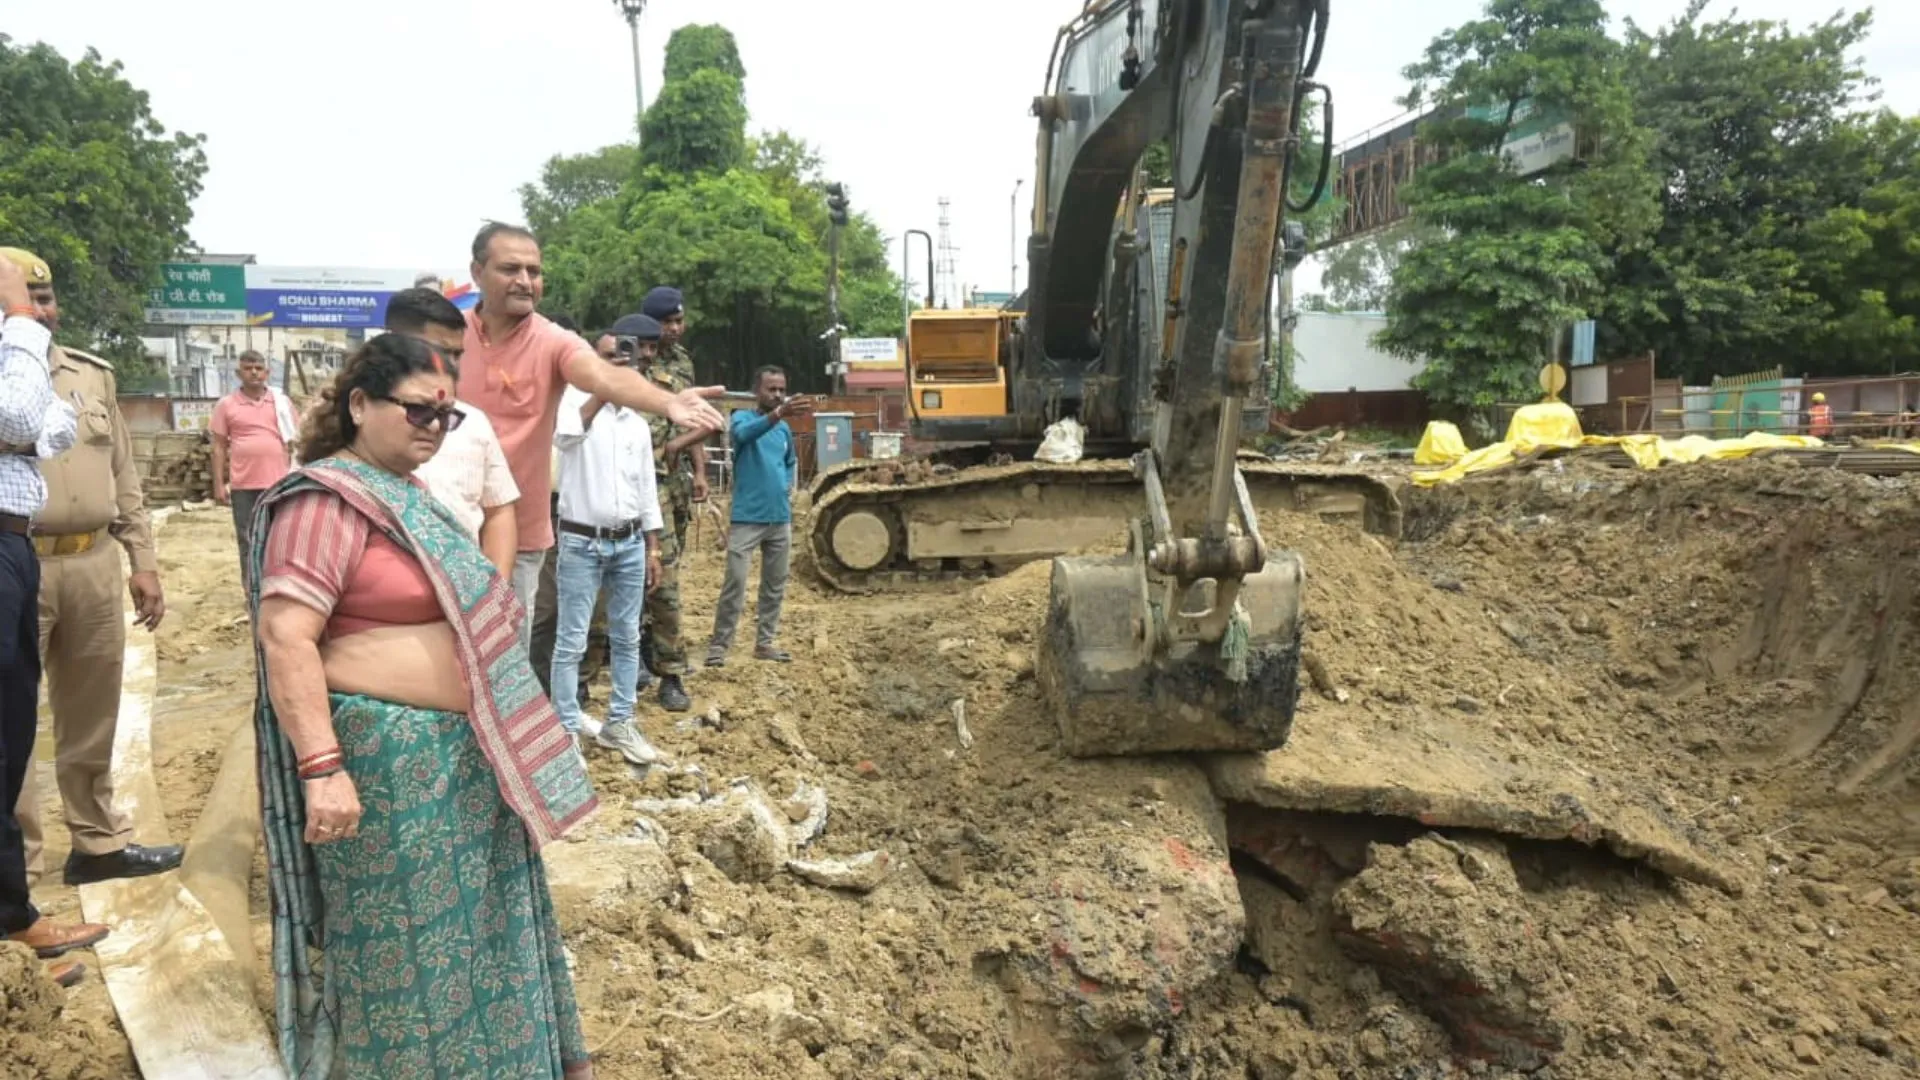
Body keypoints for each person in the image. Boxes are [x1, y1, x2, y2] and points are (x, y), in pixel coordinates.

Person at [251, 332, 596, 1079]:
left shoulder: (408, 496)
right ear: (359, 405)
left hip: (462, 773)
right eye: (416, 411)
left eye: (446, 417)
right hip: (387, 782)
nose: (433, 429)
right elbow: (286, 636)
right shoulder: (323, 504)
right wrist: (322, 769)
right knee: (406, 963)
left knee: (480, 944)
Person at [456, 223, 727, 654]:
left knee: (503, 654)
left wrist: (668, 403)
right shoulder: (449, 336)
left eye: (535, 270)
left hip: (520, 534)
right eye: (511, 269)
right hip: (444, 527)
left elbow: (601, 375)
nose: (526, 281)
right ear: (477, 271)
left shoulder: (551, 340)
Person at [13, 258, 181, 888]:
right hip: (16, 561)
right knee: (11, 718)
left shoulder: (91, 376)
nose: (40, 308)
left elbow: (124, 475)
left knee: (94, 710)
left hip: (93, 562)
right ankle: (18, 862)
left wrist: (143, 559)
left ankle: (98, 843)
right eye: (24, 298)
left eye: (46, 296)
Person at [0, 248, 96, 988]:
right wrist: (21, 333)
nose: (43, 309)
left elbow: (52, 433)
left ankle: (12, 916)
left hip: (14, 544)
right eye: (28, 294)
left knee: (11, 734)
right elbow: (18, 416)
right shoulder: (19, 349)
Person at [552, 314, 669, 765]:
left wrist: (653, 546)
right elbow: (564, 439)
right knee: (572, 640)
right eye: (605, 359)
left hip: (629, 544)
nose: (616, 364)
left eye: (623, 357)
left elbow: (646, 492)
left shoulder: (637, 426)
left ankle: (619, 722)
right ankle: (565, 730)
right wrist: (603, 390)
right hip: (582, 543)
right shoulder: (575, 408)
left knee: (627, 636)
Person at [387, 288, 520, 577]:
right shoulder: (350, 420)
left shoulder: (473, 422)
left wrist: (494, 590)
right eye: (437, 352)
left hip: (465, 598)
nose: (450, 366)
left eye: (456, 354)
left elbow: (499, 510)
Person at [707, 366, 809, 667]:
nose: (778, 395)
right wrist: (779, 413)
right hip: (746, 518)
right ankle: (720, 644)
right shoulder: (743, 418)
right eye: (771, 389)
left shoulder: (784, 429)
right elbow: (742, 435)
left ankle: (764, 642)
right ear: (757, 392)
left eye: (781, 389)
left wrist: (788, 487)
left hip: (779, 519)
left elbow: (790, 461)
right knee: (735, 583)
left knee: (774, 585)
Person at [636, 287, 705, 713]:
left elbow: (695, 416)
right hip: (626, 483)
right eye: (667, 323)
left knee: (667, 582)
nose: (675, 330)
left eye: (679, 321)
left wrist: (698, 470)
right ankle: (638, 656)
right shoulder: (626, 361)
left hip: (666, 486)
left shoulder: (681, 363)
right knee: (632, 579)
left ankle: (671, 673)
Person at [210, 350, 298, 565]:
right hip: (244, 485)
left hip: (279, 483)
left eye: (258, 368)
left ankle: (274, 589)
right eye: (248, 369)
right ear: (239, 373)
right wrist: (219, 485)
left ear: (266, 373)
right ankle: (251, 591)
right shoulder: (226, 405)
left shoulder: (281, 404)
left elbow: (299, 440)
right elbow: (218, 447)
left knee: (279, 538)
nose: (254, 373)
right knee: (248, 539)